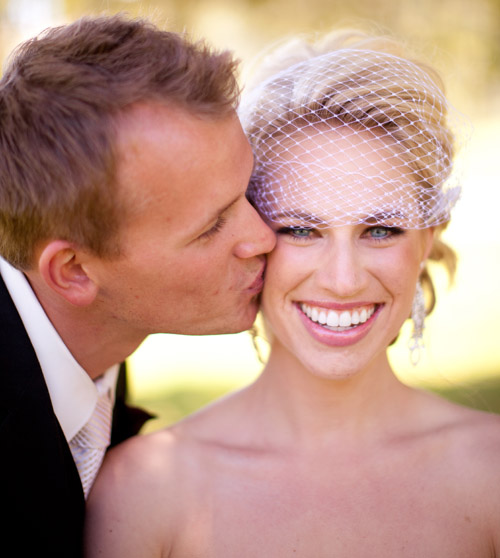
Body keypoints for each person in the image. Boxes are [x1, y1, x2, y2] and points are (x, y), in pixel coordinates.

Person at [85, 31, 500, 557]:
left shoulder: (492, 472)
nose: (343, 280)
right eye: (300, 230)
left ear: (428, 239)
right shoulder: (144, 490)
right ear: (250, 237)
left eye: (381, 230)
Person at [0, 13, 276, 557]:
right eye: (212, 226)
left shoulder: (95, 341)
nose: (263, 236)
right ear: (74, 272)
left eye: (247, 193)